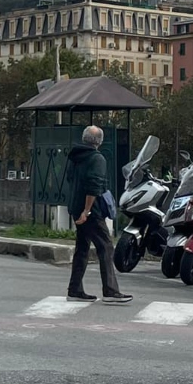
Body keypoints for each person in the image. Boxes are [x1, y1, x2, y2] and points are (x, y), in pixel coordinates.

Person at [66, 125, 132, 304]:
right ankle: (110, 290)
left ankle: (75, 289)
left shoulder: (74, 156)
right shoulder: (97, 158)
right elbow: (93, 186)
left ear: (84, 138)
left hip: (74, 206)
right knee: (106, 246)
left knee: (82, 248)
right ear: (99, 141)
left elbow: (70, 179)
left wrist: (78, 209)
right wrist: (86, 211)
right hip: (91, 211)